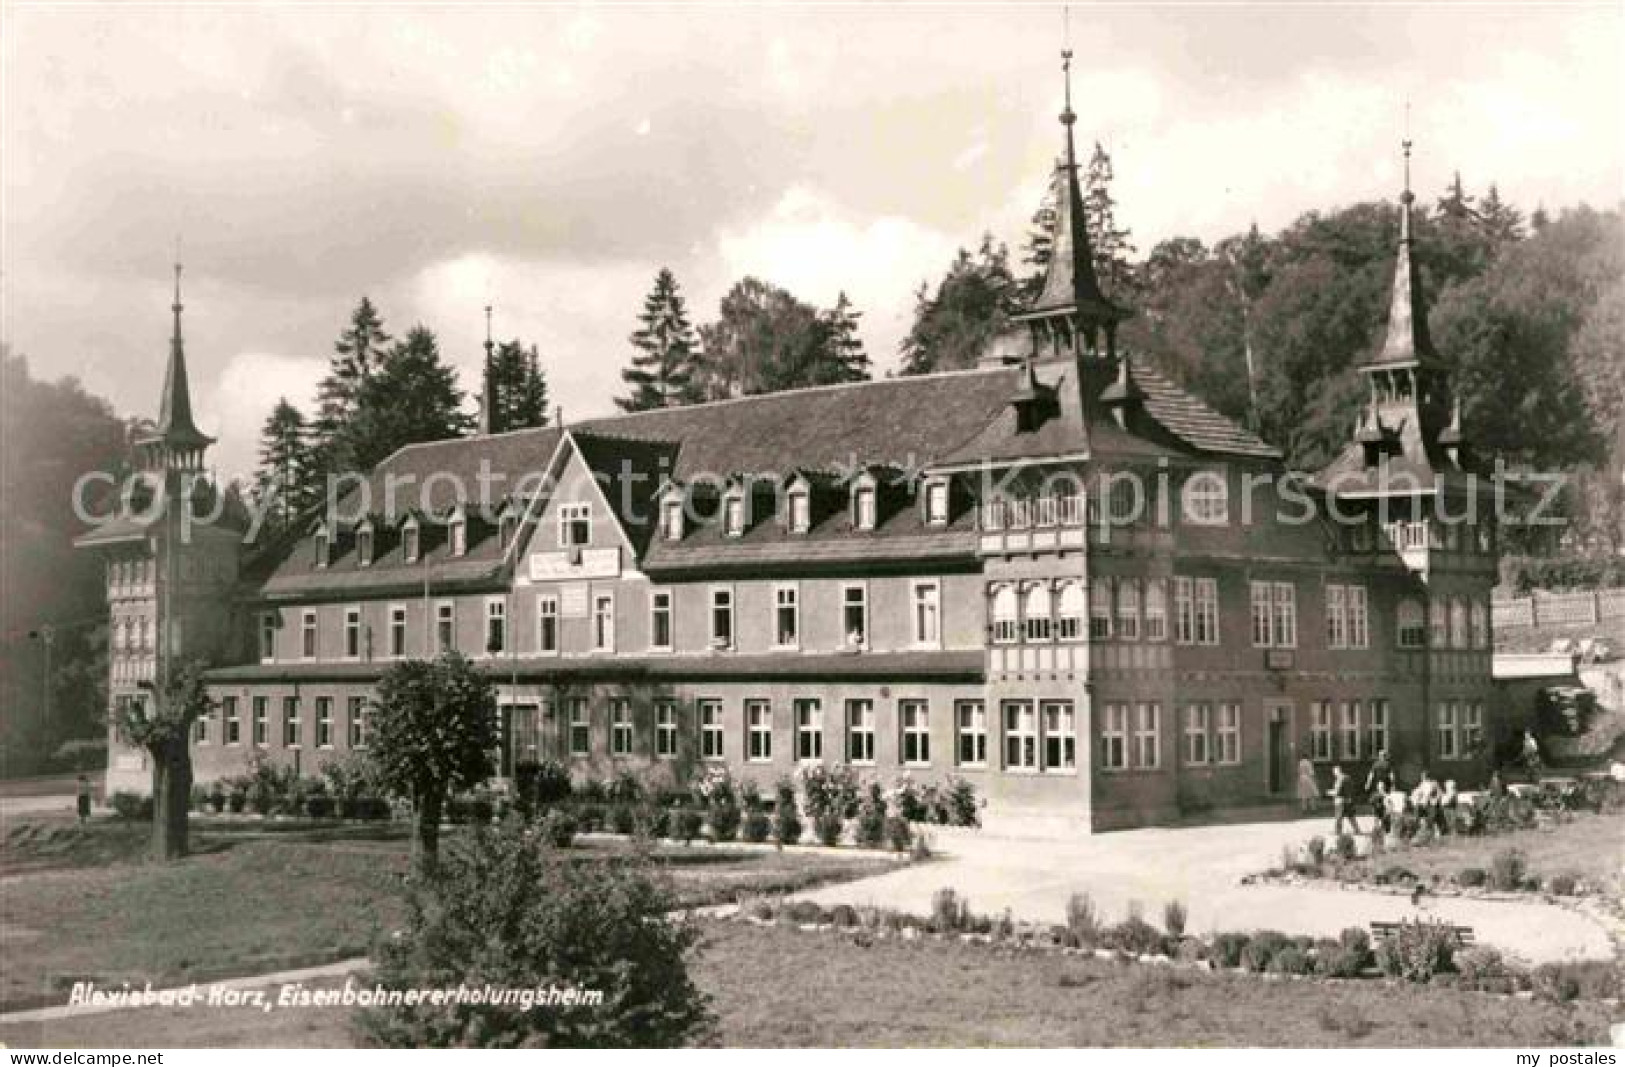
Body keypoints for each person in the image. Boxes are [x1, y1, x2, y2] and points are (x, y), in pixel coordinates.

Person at [1330, 764, 1362, 836]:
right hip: (1348, 800)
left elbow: (1337, 791)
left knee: (1338, 817)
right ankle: (1357, 830)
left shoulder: (1340, 779)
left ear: (1337, 771)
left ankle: (1338, 831)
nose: (1334, 774)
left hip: (1340, 800)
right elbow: (1351, 789)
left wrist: (1330, 792)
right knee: (1351, 816)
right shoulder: (1348, 778)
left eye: (1334, 772)